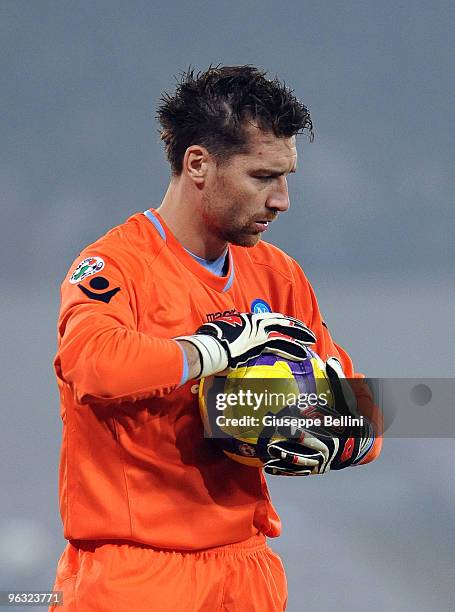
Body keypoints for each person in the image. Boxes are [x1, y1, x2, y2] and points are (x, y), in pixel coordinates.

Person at [50, 65, 382, 611]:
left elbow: (361, 406)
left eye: (287, 176)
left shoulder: (279, 276)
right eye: (262, 177)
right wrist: (216, 352)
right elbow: (92, 363)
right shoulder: (115, 265)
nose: (282, 200)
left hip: (247, 570)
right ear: (198, 163)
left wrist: (338, 436)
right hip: (134, 573)